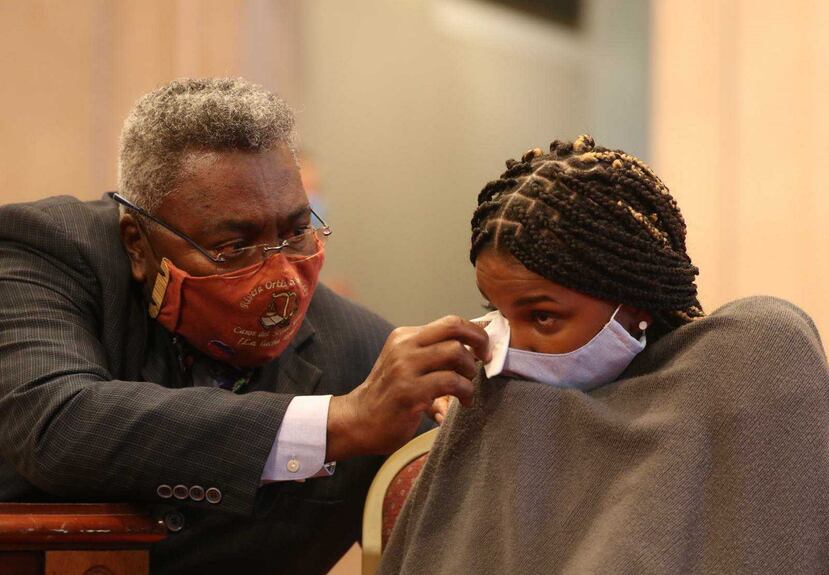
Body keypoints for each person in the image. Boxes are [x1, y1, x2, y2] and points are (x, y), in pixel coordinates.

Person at [0, 78, 489, 574]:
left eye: (297, 232)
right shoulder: (47, 251)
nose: (279, 276)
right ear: (136, 242)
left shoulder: (357, 351)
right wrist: (338, 423)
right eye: (234, 246)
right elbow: (58, 426)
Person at [380, 135, 829, 574]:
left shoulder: (747, 358)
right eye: (497, 311)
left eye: (542, 316)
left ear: (632, 301)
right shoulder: (497, 395)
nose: (508, 346)